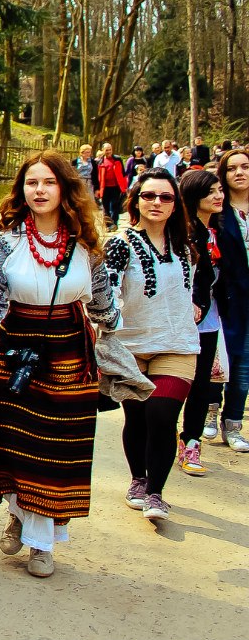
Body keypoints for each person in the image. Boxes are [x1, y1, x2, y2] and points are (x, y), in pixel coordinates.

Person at [0, 152, 117, 578]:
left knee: (56, 447)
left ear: (65, 188)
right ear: (22, 190)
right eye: (31, 183)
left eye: (49, 182)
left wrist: (119, 330)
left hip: (70, 351)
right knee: (17, 441)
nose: (40, 190)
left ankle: (42, 543)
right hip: (16, 348)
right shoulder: (4, 242)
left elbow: (104, 305)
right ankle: (20, 516)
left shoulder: (86, 243)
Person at [103, 168, 200, 522]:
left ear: (175, 204)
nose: (156, 202)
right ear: (136, 201)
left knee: (161, 414)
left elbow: (197, 286)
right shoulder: (120, 243)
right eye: (148, 195)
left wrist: (197, 305)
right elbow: (108, 291)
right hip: (129, 347)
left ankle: (156, 493)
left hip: (176, 344)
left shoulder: (186, 246)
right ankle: (138, 480)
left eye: (165, 197)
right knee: (137, 417)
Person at [175, 169, 223, 475]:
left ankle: (191, 442)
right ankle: (162, 434)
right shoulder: (185, 232)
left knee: (202, 385)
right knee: (176, 382)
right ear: (194, 197)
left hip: (211, 321)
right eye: (211, 192)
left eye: (219, 190)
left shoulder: (221, 229)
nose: (218, 196)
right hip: (183, 320)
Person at [210, 150, 249, 452]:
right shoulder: (218, 212)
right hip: (224, 297)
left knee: (244, 368)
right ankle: (209, 412)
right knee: (219, 360)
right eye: (232, 168)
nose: (239, 173)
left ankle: (233, 423)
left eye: (245, 167)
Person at [97, 143, 127, 231]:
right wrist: (97, 189)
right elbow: (96, 176)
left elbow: (123, 173)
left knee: (114, 206)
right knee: (105, 207)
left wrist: (124, 186)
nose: (108, 152)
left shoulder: (117, 159)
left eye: (110, 149)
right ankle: (108, 224)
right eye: (106, 150)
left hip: (116, 187)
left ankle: (114, 223)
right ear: (103, 150)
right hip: (104, 188)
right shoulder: (99, 161)